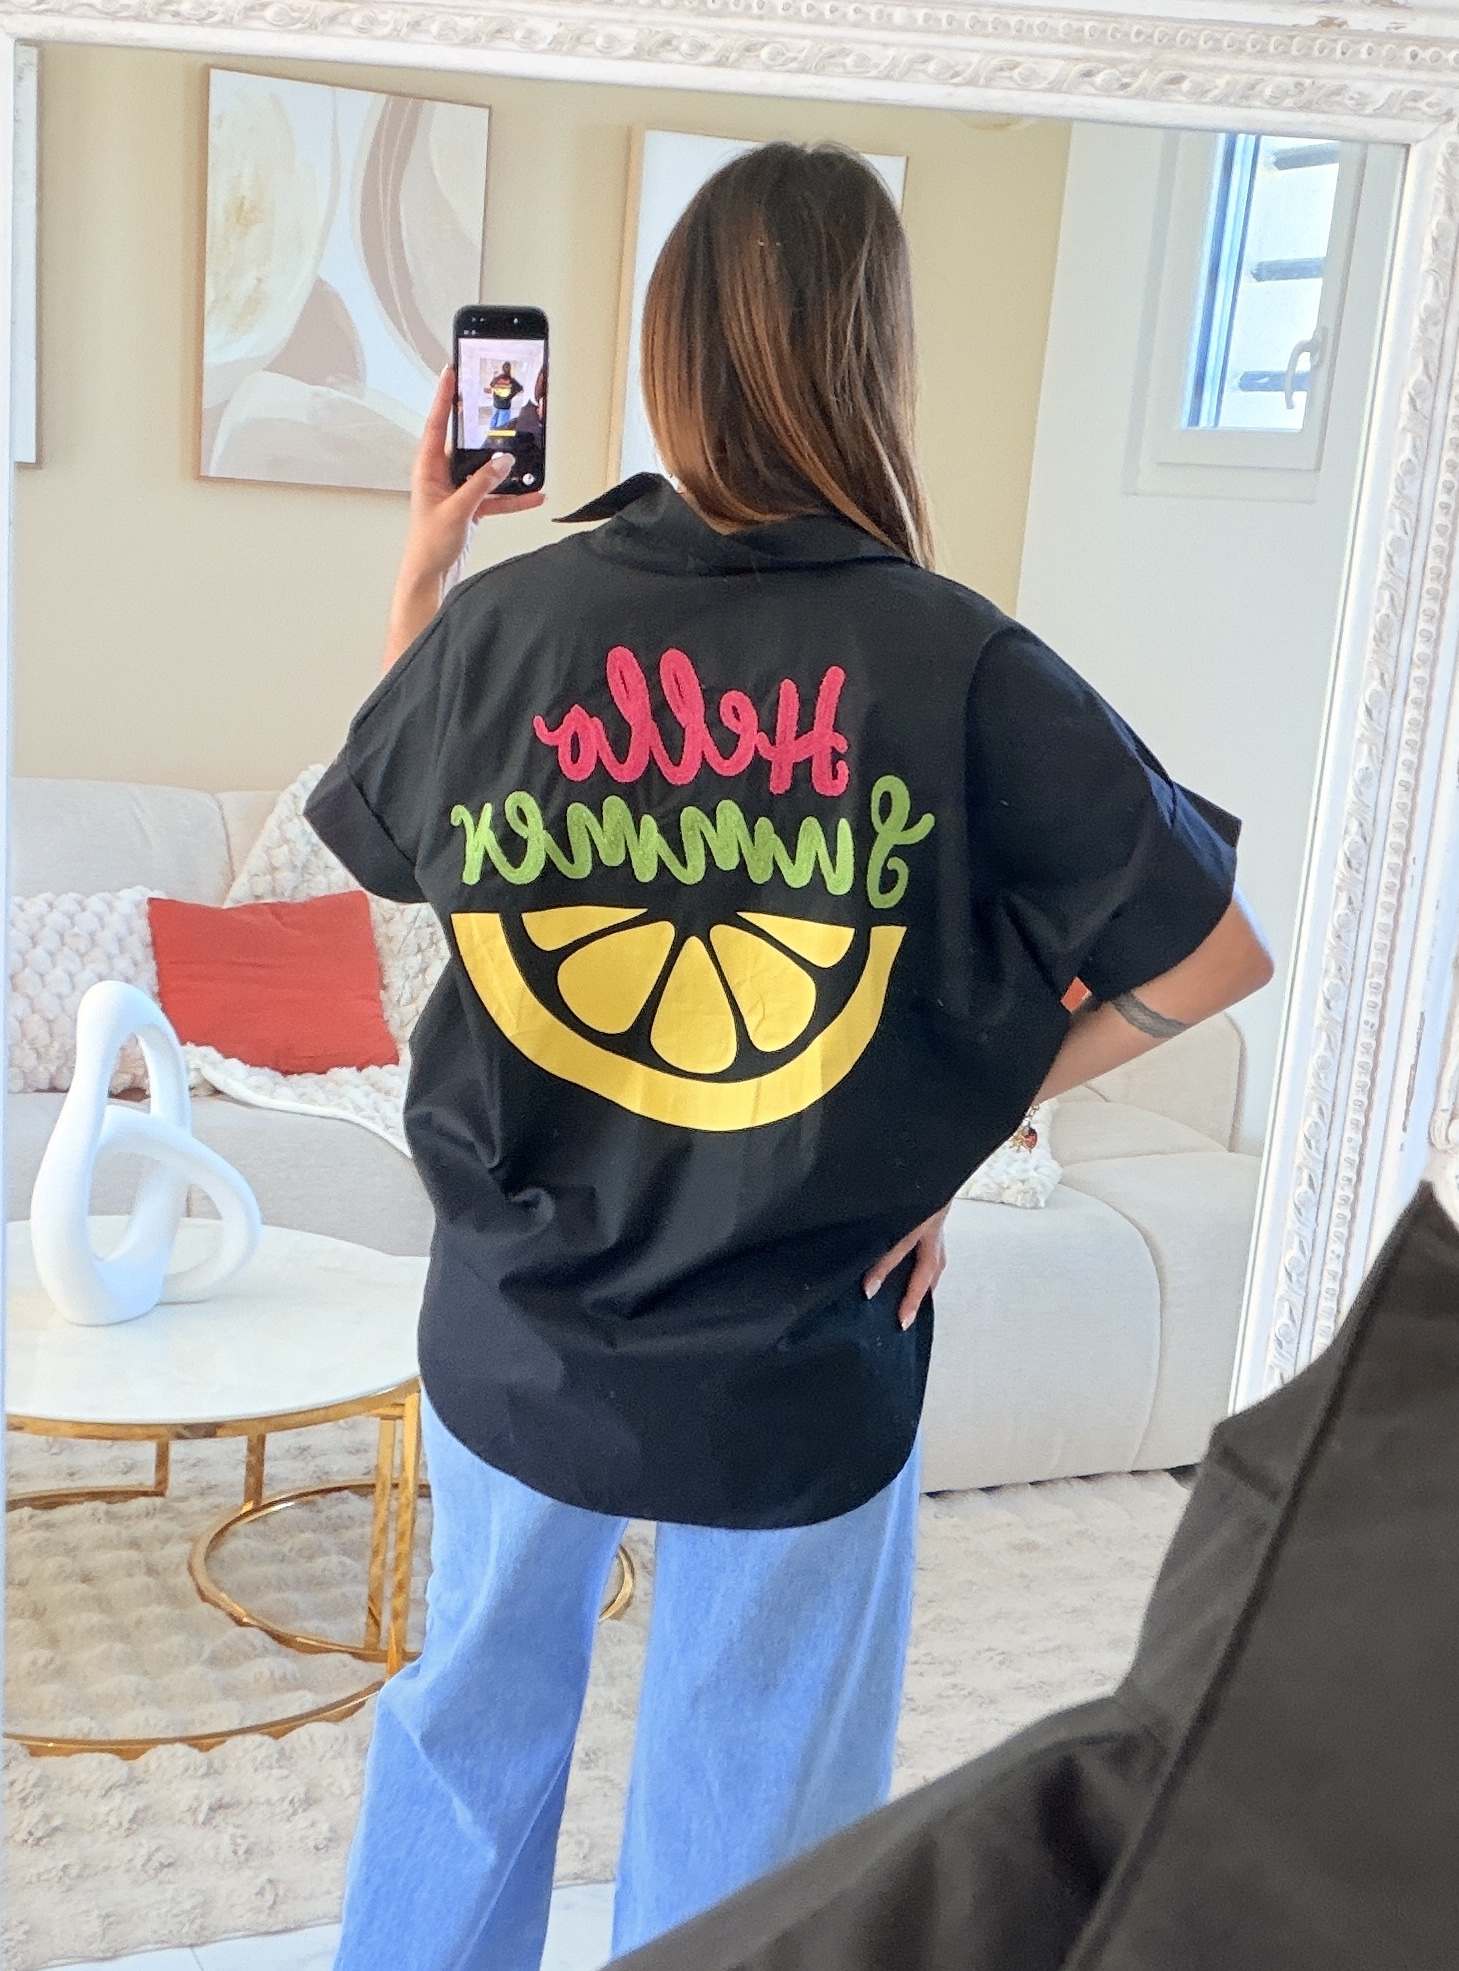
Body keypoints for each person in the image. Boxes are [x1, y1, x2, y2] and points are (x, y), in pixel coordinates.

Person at [307, 142, 1274, 1971]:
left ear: (670, 353)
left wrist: (432, 561)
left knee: (466, 1730)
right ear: (874, 358)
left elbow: (398, 837)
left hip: (524, 1316)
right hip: (804, 1338)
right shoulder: (958, 662)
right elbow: (1214, 952)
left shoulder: (517, 622)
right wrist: (957, 1129)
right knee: (759, 1810)